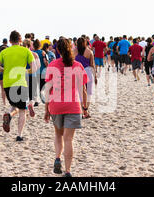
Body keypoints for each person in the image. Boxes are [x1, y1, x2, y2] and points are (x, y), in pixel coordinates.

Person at [44, 38, 88, 178]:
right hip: (73, 105)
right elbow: (83, 90)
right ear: (71, 48)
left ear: (58, 50)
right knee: (68, 139)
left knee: (58, 134)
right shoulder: (78, 65)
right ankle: (68, 171)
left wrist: (46, 109)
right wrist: (85, 108)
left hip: (56, 105)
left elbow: (47, 90)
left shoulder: (52, 65)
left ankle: (57, 158)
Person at [0, 31, 38, 142]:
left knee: (14, 104)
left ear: (9, 41)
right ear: (20, 40)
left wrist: (3, 70)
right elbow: (34, 68)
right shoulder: (26, 51)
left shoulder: (4, 51)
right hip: (20, 82)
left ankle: (9, 115)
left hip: (8, 83)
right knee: (22, 110)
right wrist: (26, 70)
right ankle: (19, 135)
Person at [74, 37, 96, 119]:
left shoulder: (74, 51)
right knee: (88, 92)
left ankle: (80, 110)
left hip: (77, 71)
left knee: (79, 91)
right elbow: (92, 65)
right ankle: (86, 110)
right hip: (87, 71)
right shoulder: (89, 51)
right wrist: (95, 75)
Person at [33, 39, 49, 104]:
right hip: (42, 72)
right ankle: (42, 99)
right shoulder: (43, 52)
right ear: (40, 45)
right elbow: (46, 63)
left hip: (34, 72)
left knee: (35, 87)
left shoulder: (32, 53)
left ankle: (36, 100)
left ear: (33, 45)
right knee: (42, 87)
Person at [0, 38, 9, 106]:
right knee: (8, 88)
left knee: (2, 89)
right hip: (8, 73)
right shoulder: (9, 48)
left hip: (1, 73)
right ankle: (9, 101)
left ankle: (4, 103)